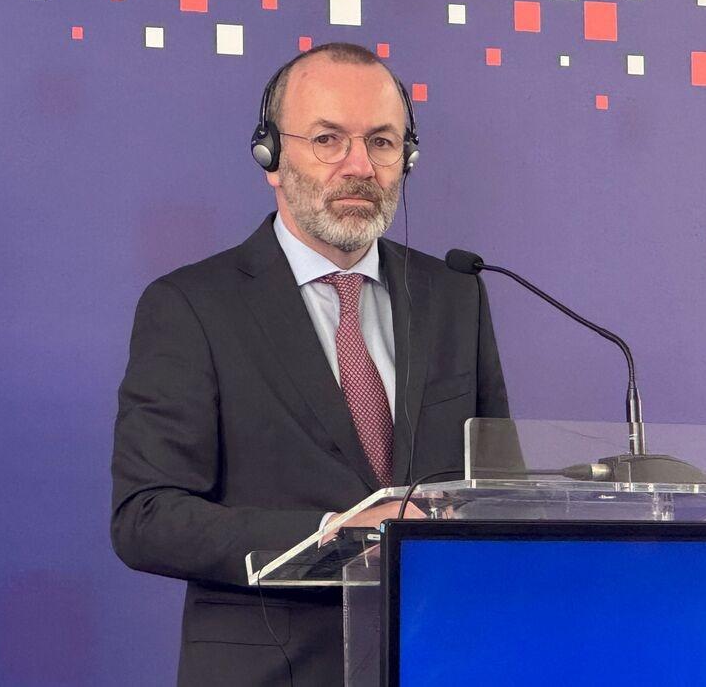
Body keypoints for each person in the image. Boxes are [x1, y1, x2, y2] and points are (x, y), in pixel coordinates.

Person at [111, 42, 509, 686]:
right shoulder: (190, 306)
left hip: (442, 657)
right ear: (270, 156)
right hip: (274, 669)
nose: (360, 166)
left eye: (382, 142)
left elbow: (496, 486)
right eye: (329, 139)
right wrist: (331, 532)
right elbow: (147, 518)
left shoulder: (455, 295)